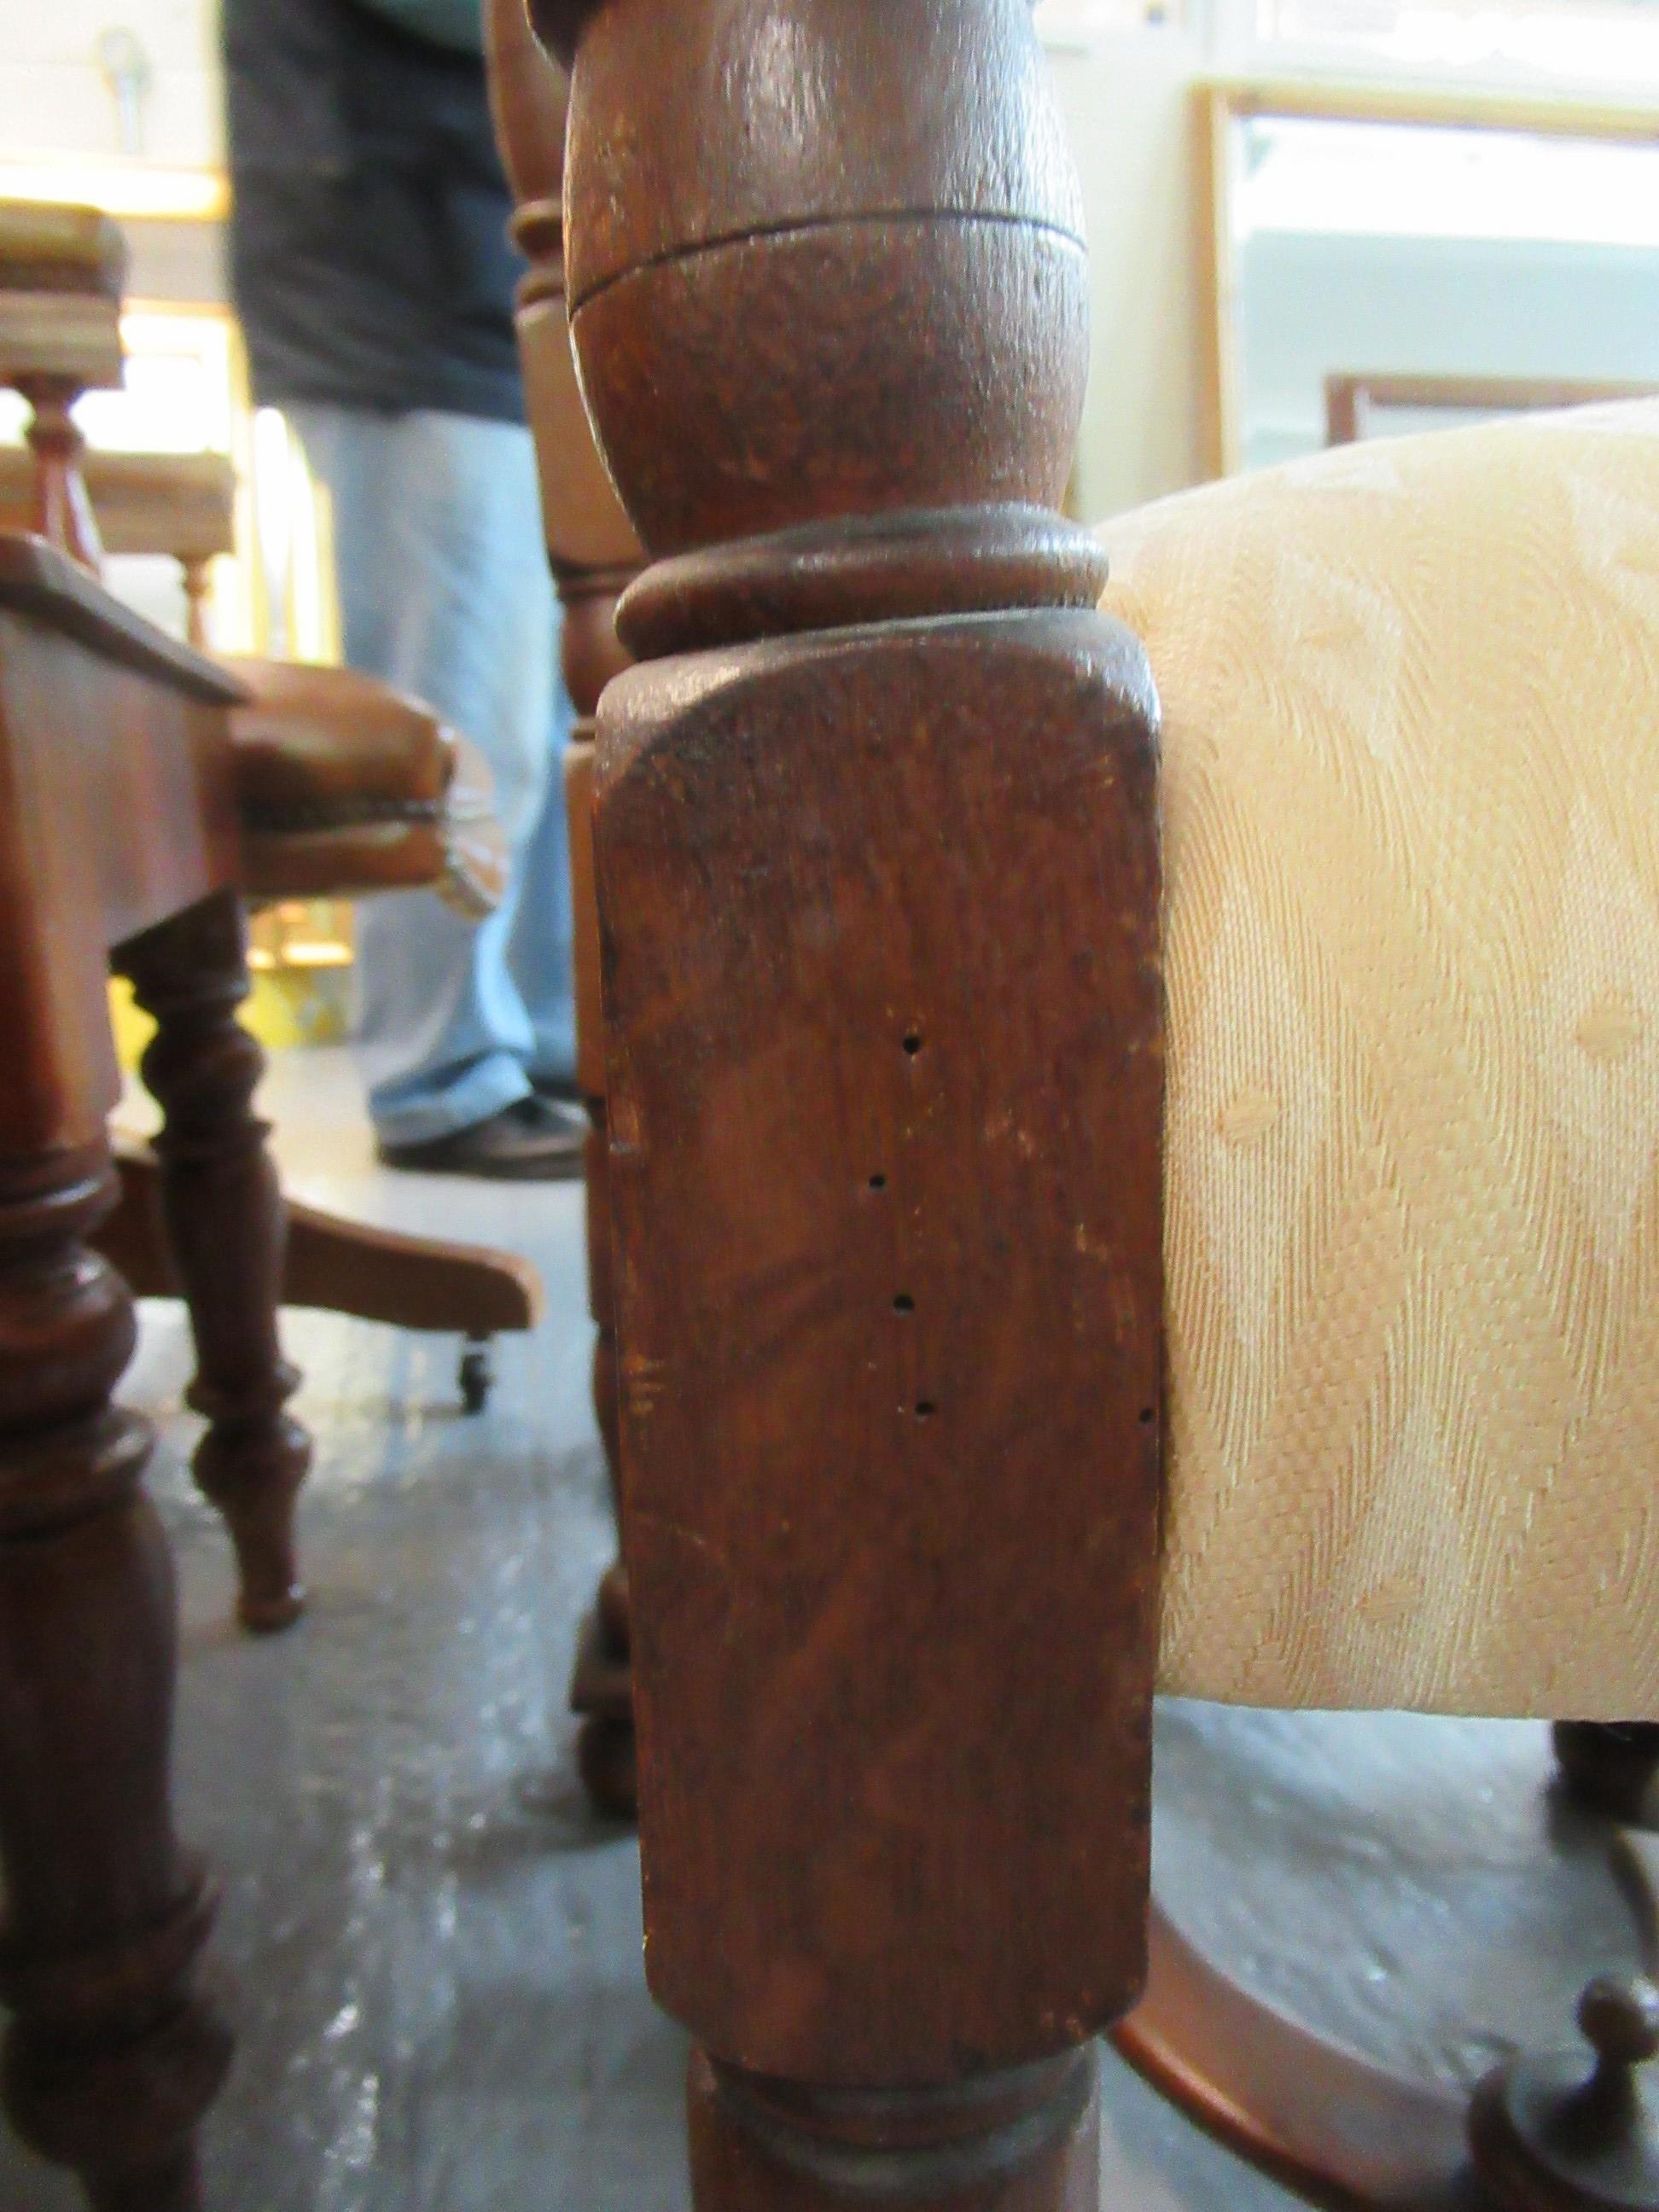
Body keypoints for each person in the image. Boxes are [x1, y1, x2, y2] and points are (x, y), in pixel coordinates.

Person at [223, 0, 586, 1178]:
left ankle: (531, 1044)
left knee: (521, 707)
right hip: (395, 274)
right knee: (458, 705)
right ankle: (443, 1071)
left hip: (467, 275)